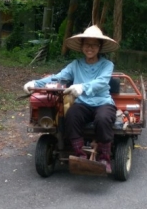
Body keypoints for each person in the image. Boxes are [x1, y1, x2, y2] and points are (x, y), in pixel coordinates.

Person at [23, 25, 119, 173]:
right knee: (71, 115)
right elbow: (58, 77)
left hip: (102, 101)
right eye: (87, 44)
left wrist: (82, 87)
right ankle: (79, 154)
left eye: (94, 45)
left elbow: (102, 82)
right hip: (82, 103)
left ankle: (104, 157)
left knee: (103, 119)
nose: (90, 48)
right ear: (82, 46)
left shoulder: (107, 65)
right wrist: (35, 83)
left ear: (100, 47)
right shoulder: (76, 65)